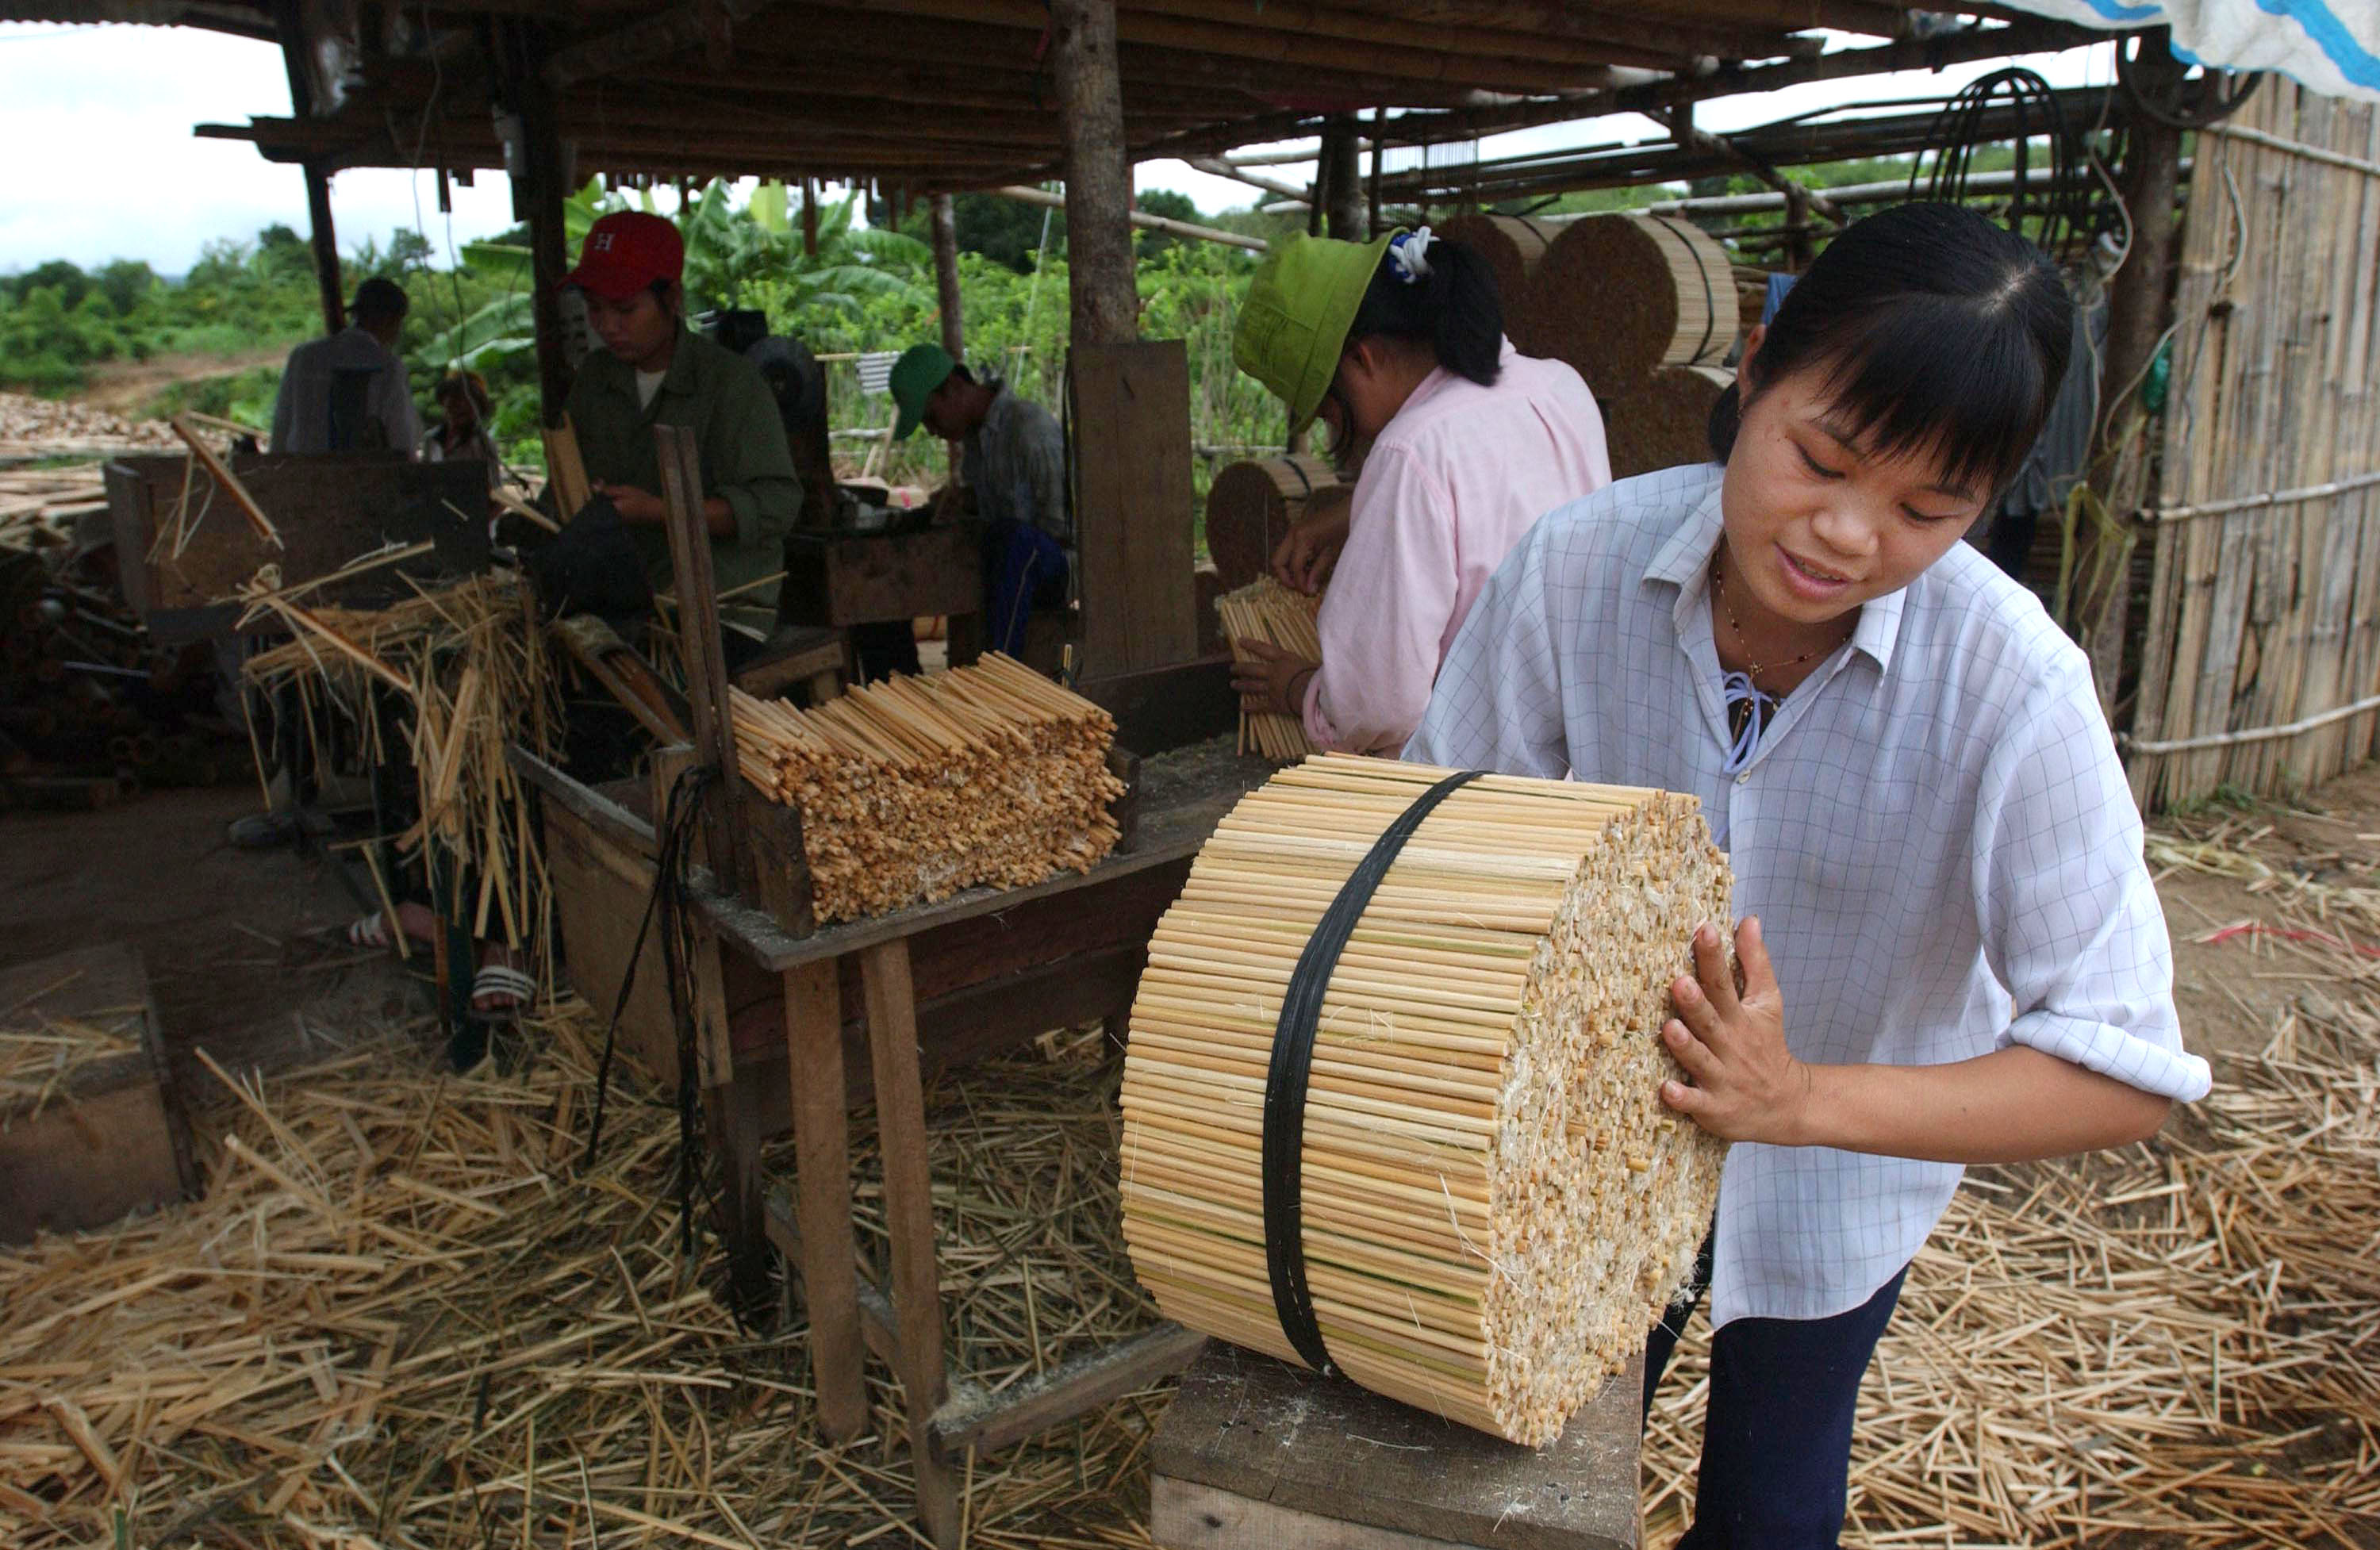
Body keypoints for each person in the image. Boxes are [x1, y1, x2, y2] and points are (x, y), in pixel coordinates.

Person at [1403, 202, 2211, 1545]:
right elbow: (1441, 844)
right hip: (1582, 1152)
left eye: (1924, 508)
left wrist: (1797, 1098)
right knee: (1527, 1478)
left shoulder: (2014, 689)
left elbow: (2121, 1068)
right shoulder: (1573, 569)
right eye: (1820, 458)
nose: (1844, 533)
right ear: (1760, 363)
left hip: (1838, 1174)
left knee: (1772, 1506)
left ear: (1987, 497)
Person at [1227, 227, 1610, 756]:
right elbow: (1488, 487)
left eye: (1332, 413)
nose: (1346, 430)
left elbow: (1378, 706)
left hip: (1473, 795)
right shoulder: (1559, 387)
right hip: (1582, 762)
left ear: (1360, 360)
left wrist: (1298, 689)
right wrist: (1352, 513)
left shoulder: (1410, 451)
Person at [559, 210, 800, 651]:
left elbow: (776, 507)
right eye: (595, 308)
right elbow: (570, 477)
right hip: (626, 603)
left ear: (671, 298)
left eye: (626, 308)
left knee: (646, 702)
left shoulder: (731, 384)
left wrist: (657, 509)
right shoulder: (594, 381)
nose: (608, 326)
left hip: (722, 606)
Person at [888, 343, 1069, 657]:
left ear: (953, 388)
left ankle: (1000, 670)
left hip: (1059, 566)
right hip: (1014, 563)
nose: (932, 431)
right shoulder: (974, 443)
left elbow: (1059, 526)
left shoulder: (1029, 428)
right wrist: (959, 503)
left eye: (931, 418)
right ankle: (899, 672)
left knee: (1015, 542)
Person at [269, 276, 420, 456]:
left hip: (302, 475)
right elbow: (402, 440)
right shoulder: (389, 366)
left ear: (355, 315)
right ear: (391, 320)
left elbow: (281, 429)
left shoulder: (303, 357)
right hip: (364, 477)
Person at [420, 370, 506, 488]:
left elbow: (496, 492)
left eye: (464, 410)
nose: (457, 410)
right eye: (452, 406)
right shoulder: (431, 440)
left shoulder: (483, 443)